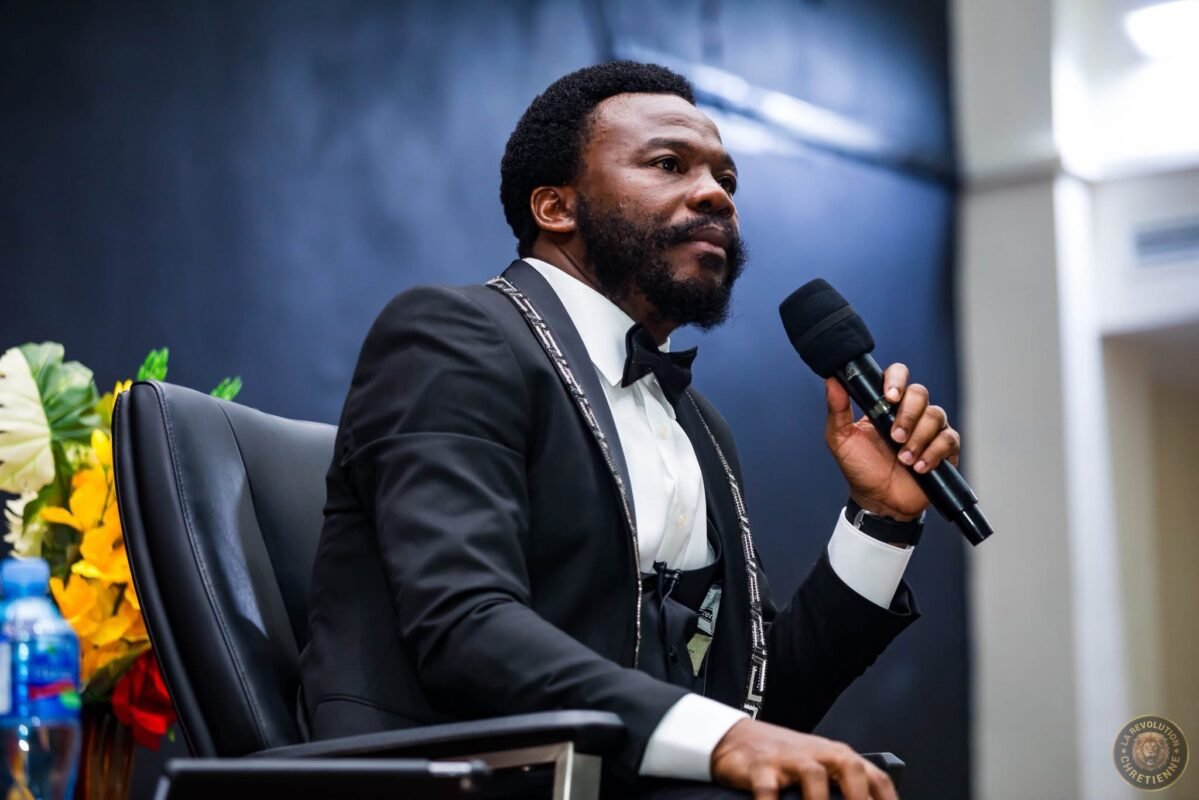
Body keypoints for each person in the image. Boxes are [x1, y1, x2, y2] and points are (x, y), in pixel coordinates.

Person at [299, 61, 962, 800]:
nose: (716, 195)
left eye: (726, 179)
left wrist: (881, 518)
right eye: (669, 164)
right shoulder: (454, 336)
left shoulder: (697, 423)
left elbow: (757, 703)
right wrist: (721, 737)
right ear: (556, 207)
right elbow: (462, 624)